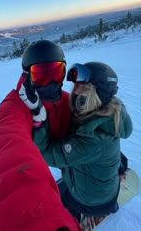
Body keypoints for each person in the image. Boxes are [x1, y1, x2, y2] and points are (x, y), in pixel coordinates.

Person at [0, 40, 82, 231]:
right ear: (27, 77)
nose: (50, 82)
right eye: (40, 75)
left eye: (55, 72)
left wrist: (112, 155)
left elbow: (95, 123)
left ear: (64, 73)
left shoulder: (67, 101)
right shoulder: (14, 106)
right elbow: (5, 145)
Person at [28, 61, 133, 222]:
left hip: (90, 202)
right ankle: (111, 205)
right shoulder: (108, 111)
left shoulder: (93, 141)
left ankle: (79, 215)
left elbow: (45, 154)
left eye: (85, 88)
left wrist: (39, 123)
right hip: (108, 191)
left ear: (99, 93)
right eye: (76, 85)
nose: (76, 91)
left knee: (56, 200)